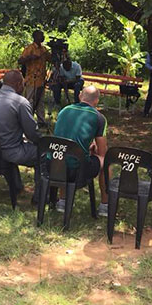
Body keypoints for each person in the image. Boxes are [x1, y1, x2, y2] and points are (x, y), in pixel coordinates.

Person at [0, 69, 41, 200]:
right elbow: (32, 133)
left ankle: (17, 186)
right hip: (9, 151)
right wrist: (41, 142)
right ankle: (40, 196)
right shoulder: (20, 102)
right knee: (42, 154)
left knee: (13, 142)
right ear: (18, 84)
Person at [53, 85, 109, 217]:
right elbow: (102, 152)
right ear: (96, 101)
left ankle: (62, 201)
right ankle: (105, 205)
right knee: (106, 161)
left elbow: (65, 137)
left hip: (53, 166)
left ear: (79, 96)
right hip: (78, 170)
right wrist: (94, 149)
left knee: (64, 156)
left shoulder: (64, 110)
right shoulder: (99, 118)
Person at [18, 30, 51, 126]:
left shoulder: (44, 49)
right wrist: (30, 57)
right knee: (29, 101)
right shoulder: (29, 48)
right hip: (31, 79)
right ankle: (27, 120)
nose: (43, 37)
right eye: (41, 35)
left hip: (41, 80)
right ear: (35, 37)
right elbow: (20, 60)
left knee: (40, 101)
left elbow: (51, 60)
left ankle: (41, 121)